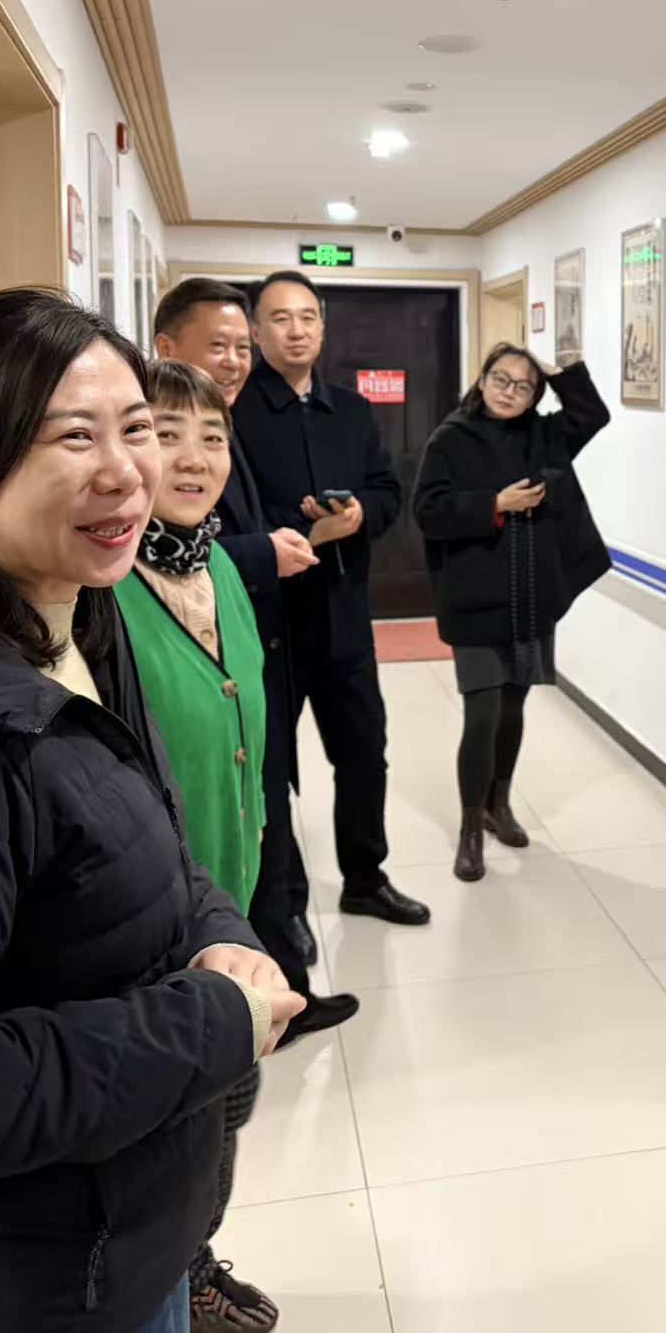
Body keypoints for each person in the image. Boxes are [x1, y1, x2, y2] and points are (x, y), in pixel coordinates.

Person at [0, 289, 305, 1333]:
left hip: (128, 1230)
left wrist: (221, 934)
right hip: (32, 1290)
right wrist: (212, 1024)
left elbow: (146, 836)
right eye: (73, 436)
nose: (126, 471)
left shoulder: (82, 616)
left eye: (135, 428)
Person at [154, 279, 355, 1020]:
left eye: (242, 346)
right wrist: (265, 552)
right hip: (183, 791)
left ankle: (272, 990)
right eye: (221, 345)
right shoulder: (117, 579)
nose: (236, 359)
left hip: (268, 656)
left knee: (265, 819)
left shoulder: (211, 549)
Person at [233, 271, 429, 925]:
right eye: (280, 318)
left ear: (322, 327)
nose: (296, 330)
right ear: (257, 330)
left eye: (308, 317)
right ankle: (283, 903)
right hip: (267, 624)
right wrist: (303, 524)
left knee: (364, 753)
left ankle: (365, 879)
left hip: (344, 616)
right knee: (270, 771)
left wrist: (358, 515)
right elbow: (234, 516)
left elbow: (387, 490)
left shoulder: (350, 409)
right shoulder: (237, 413)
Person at [413, 344, 611, 881]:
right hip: (474, 600)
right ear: (481, 380)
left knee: (514, 707)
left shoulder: (542, 434)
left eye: (523, 386)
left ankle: (499, 805)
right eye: (500, 379)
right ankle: (470, 827)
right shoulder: (450, 438)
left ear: (534, 396)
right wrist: (495, 505)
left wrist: (556, 371)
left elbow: (593, 415)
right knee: (482, 714)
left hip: (530, 598)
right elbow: (427, 511)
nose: (508, 392)